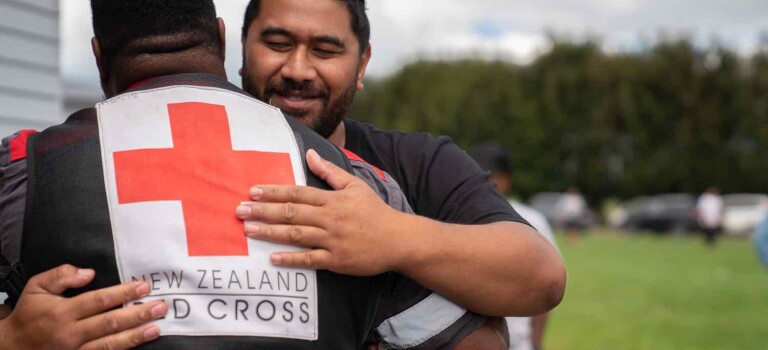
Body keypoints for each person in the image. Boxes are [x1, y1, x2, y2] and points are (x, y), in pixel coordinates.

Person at [0, 1, 488, 349]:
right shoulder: (354, 187)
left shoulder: (28, 167)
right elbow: (481, 341)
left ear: (99, 56)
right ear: (218, 37)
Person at [237, 0, 566, 320]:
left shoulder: (420, 162)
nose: (298, 70)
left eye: (324, 51)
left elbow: (541, 278)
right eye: (278, 44)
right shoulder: (186, 149)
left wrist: (390, 236)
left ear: (361, 65)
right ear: (241, 47)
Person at [469, 143, 560, 350]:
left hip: (517, 343)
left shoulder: (531, 221)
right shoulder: (456, 222)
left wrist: (536, 343)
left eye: (488, 176)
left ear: (505, 180)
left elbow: (546, 287)